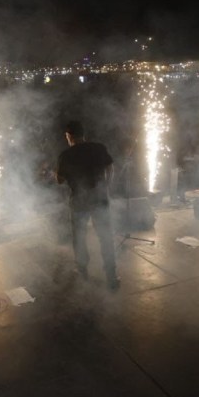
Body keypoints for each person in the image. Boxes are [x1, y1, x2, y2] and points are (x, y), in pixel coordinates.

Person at [56, 120, 119, 290]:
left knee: (79, 236)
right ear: (83, 133)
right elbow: (111, 168)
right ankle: (112, 274)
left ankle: (82, 270)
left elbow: (60, 179)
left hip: (79, 201)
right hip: (100, 198)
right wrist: (107, 186)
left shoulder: (66, 155)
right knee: (105, 236)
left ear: (69, 136)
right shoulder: (98, 148)